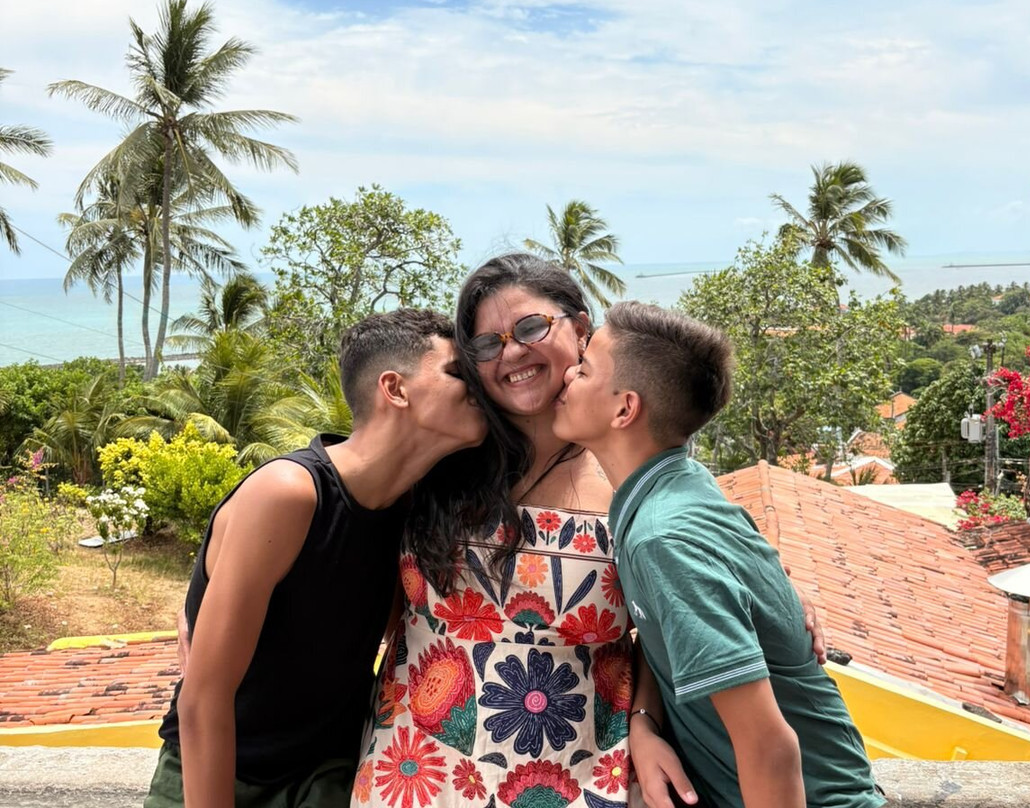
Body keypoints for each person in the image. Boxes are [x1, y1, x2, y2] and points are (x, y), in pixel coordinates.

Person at [352, 256, 821, 808]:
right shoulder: (442, 460)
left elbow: (670, 620)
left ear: (580, 330)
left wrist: (645, 719)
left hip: (581, 779)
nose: (511, 353)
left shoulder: (639, 483)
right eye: (486, 344)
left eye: (531, 327)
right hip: (414, 775)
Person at [145, 309, 487, 808]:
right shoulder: (289, 493)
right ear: (395, 389)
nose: (478, 385)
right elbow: (204, 699)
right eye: (457, 372)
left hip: (328, 770)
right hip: (218, 768)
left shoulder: (411, 509)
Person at [551, 301, 885, 808]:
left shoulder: (664, 539)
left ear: (624, 409)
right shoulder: (674, 488)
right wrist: (644, 721)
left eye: (585, 369)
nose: (568, 375)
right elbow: (669, 635)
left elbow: (770, 747)